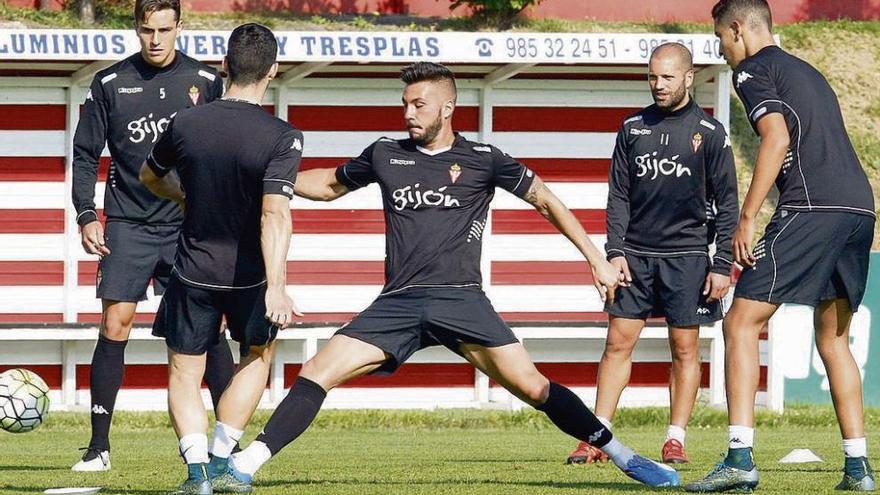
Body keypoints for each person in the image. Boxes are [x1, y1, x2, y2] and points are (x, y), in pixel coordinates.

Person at [215, 61, 681, 491]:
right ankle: (245, 465)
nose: (409, 113)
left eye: (419, 104)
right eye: (405, 105)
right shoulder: (384, 154)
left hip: (461, 300)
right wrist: (269, 175)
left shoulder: (484, 158)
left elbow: (547, 201)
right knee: (317, 371)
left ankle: (623, 456)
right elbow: (328, 185)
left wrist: (596, 259)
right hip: (398, 302)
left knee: (535, 387)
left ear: (448, 106)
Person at [686, 1, 876, 492]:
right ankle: (858, 467)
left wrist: (746, 218)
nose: (722, 51)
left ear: (737, 29)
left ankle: (739, 457)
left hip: (813, 207)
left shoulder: (753, 70)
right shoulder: (806, 71)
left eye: (719, 39)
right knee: (833, 339)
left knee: (740, 321)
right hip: (859, 209)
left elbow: (775, 138)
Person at [70, 0, 235, 472]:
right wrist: (87, 214)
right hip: (127, 224)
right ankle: (99, 447)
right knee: (115, 324)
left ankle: (226, 443)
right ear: (136, 28)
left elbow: (223, 150)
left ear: (179, 27)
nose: (156, 40)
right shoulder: (108, 82)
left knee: (209, 328)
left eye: (165, 29)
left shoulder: (207, 82)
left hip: (189, 226)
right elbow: (85, 155)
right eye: (147, 30)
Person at [140, 23, 302, 495]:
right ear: (274, 69)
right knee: (257, 357)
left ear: (224, 65)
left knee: (184, 372)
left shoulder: (186, 122)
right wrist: (277, 286)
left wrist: (184, 199)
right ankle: (220, 461)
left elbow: (150, 175)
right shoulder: (283, 136)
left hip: (192, 270)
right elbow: (275, 213)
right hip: (251, 276)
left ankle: (196, 477)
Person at [566, 43, 738, 467]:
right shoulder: (632, 128)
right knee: (617, 345)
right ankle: (597, 437)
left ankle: (675, 439)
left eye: (667, 77)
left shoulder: (711, 133)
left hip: (688, 258)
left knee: (684, 349)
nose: (658, 85)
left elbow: (728, 204)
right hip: (635, 258)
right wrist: (614, 252)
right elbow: (618, 195)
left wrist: (720, 265)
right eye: (652, 77)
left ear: (688, 77)